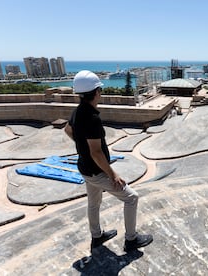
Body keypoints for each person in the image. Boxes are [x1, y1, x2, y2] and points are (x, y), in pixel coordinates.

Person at [64, 70, 153, 252]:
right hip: (97, 172)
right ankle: (131, 240)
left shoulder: (78, 111)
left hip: (85, 169)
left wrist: (82, 147)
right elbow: (96, 153)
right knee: (131, 198)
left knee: (93, 203)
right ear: (97, 92)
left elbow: (67, 130)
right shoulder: (93, 118)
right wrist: (113, 175)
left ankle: (96, 237)